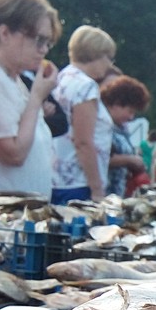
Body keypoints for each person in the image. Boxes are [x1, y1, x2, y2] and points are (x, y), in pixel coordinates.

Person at [0, 0, 62, 200]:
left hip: (19, 214)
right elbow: (13, 153)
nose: (44, 50)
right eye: (38, 40)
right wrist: (37, 97)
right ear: (5, 33)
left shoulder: (11, 77)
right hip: (2, 219)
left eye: (48, 43)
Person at [51, 25, 118, 204]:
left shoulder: (61, 78)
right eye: (108, 58)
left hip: (56, 178)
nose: (109, 64)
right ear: (95, 54)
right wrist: (97, 188)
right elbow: (83, 141)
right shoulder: (85, 86)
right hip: (79, 183)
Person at [99, 75, 151, 197]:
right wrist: (129, 160)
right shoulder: (100, 124)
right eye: (130, 111)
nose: (131, 117)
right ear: (117, 104)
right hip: (102, 193)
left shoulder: (120, 127)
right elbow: (100, 157)